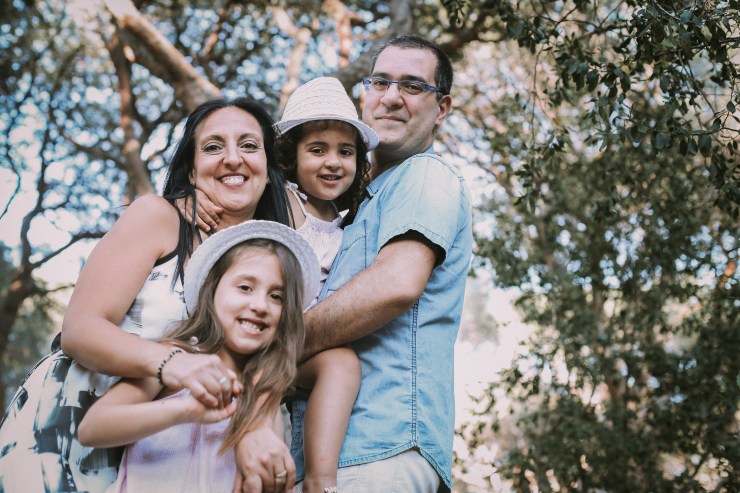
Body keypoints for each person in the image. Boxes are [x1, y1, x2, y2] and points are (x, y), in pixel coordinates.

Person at [0, 97, 292, 493]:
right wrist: (174, 364)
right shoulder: (160, 217)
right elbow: (79, 330)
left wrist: (254, 422)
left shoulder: (274, 267)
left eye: (249, 145)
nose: (232, 158)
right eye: (213, 147)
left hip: (160, 458)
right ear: (192, 169)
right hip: (72, 422)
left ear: (269, 170)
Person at [287, 35, 472, 492]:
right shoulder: (354, 206)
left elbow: (397, 283)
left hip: (378, 447)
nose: (391, 97)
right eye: (381, 82)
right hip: (332, 461)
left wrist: (275, 351)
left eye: (412, 86)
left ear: (442, 108)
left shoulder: (425, 174)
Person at [77, 220, 320, 493]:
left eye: (277, 297)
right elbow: (92, 428)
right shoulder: (177, 359)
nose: (260, 305)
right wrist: (185, 410)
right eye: (245, 287)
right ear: (212, 290)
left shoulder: (264, 392)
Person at [274, 77, 377, 493]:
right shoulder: (285, 200)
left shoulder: (345, 219)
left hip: (307, 348)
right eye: (317, 150)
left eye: (345, 151)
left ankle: (320, 482)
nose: (333, 162)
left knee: (341, 364)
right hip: (271, 338)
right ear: (291, 157)